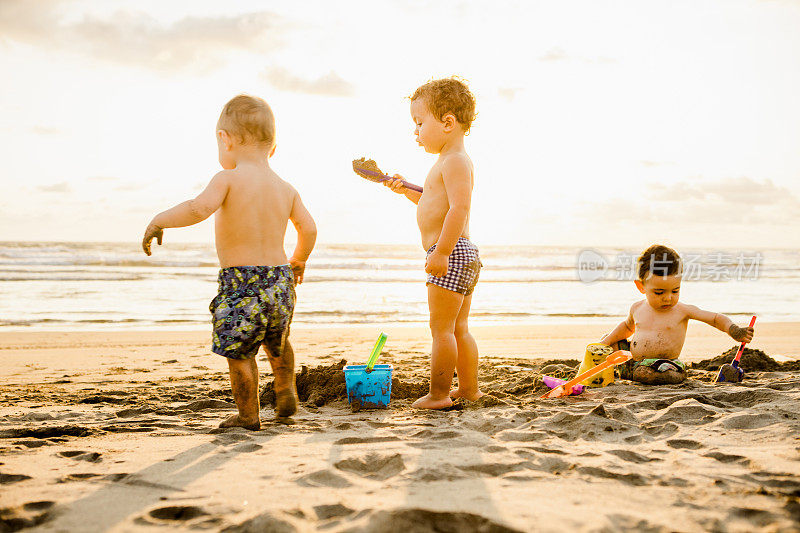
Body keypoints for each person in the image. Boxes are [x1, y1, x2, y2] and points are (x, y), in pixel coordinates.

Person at [142, 94, 316, 429]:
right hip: (280, 280)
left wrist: (160, 220)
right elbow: (308, 228)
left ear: (226, 139)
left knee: (240, 353)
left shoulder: (227, 179)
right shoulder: (286, 188)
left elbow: (197, 209)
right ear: (274, 147)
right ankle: (285, 389)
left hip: (241, 282)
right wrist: (298, 260)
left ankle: (248, 416)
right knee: (277, 341)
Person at [384, 77, 483, 409]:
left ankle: (439, 395)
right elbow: (433, 204)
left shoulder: (453, 161)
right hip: (462, 253)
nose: (416, 131)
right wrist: (406, 191)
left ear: (448, 122)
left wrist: (440, 251)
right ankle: (469, 390)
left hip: (451, 251)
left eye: (419, 122)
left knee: (441, 329)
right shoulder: (446, 162)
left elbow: (460, 208)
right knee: (459, 328)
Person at [602, 244, 754, 384]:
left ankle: (662, 375)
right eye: (659, 292)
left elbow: (714, 319)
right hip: (634, 362)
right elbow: (627, 328)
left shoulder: (682, 310)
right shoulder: (637, 308)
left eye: (675, 290)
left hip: (665, 365)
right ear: (641, 286)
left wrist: (734, 330)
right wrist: (606, 341)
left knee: (647, 373)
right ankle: (626, 372)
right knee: (609, 342)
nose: (668, 297)